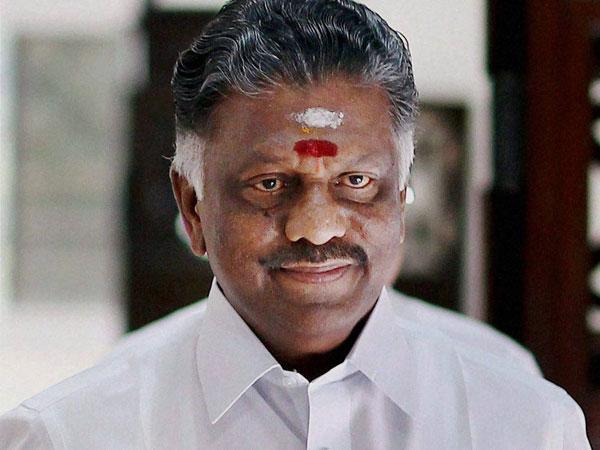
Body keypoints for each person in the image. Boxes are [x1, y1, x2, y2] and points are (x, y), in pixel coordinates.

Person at [0, 0, 590, 448]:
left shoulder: (524, 427)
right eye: (269, 184)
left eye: (355, 181)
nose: (315, 228)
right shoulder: (71, 434)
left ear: (401, 198)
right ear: (193, 207)